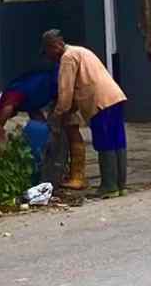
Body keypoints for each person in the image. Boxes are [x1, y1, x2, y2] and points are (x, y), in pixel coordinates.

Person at [42, 30, 129, 197]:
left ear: (55, 46)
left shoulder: (67, 58)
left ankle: (109, 186)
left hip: (99, 102)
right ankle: (121, 185)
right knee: (118, 140)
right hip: (114, 96)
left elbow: (65, 91)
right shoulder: (81, 51)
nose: (49, 57)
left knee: (105, 142)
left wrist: (58, 113)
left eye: (48, 52)